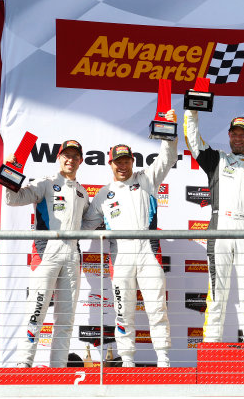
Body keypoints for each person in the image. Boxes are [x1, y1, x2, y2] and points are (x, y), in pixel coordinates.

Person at [82, 110, 178, 367]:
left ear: (132, 161)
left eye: (126, 160)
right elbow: (85, 226)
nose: (122, 165)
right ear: (110, 164)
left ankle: (164, 360)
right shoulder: (103, 194)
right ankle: (127, 361)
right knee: (123, 312)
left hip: (149, 253)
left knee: (157, 308)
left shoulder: (147, 179)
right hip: (120, 256)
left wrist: (169, 130)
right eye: (117, 161)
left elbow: (168, 158)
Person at [183, 110, 244, 343]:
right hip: (219, 228)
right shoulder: (216, 159)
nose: (238, 138)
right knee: (216, 292)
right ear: (228, 135)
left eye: (243, 135)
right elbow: (192, 138)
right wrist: (191, 112)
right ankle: (211, 344)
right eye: (234, 134)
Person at [6, 140, 89, 367]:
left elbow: (89, 224)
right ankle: (23, 365)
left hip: (72, 256)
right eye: (66, 155)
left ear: (80, 160)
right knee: (36, 312)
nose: (70, 160)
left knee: (66, 319)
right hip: (46, 253)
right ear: (58, 158)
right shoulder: (45, 183)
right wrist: (11, 173)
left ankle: (59, 369)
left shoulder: (83, 193)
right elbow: (12, 199)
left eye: (75, 156)